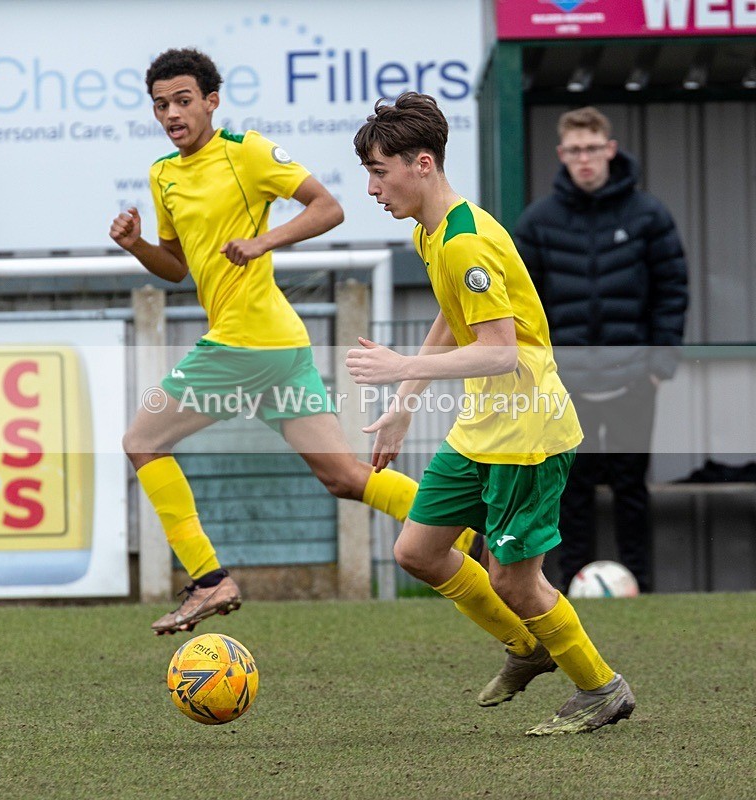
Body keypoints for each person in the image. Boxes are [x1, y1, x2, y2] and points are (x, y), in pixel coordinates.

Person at [109, 49, 486, 636]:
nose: (172, 113)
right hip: (276, 344)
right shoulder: (164, 175)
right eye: (161, 104)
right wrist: (136, 245)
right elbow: (178, 268)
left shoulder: (246, 152)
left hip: (247, 340)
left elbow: (327, 207)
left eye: (183, 100)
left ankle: (209, 581)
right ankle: (463, 531)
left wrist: (266, 242)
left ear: (211, 100)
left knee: (141, 440)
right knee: (342, 476)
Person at [348, 92, 634, 735]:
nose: (372, 187)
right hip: (483, 428)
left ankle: (601, 687)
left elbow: (501, 354)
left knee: (513, 578)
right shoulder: (433, 230)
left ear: (422, 164)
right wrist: (402, 406)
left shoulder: (467, 243)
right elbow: (454, 317)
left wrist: (400, 367)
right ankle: (528, 647)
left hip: (527, 433)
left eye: (379, 170)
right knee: (418, 551)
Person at [514, 107, 688, 594]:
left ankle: (642, 587)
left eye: (592, 148)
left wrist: (659, 365)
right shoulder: (539, 221)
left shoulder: (647, 215)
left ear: (610, 149)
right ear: (561, 155)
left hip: (634, 379)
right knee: (571, 489)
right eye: (575, 150)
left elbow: (672, 289)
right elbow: (521, 301)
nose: (584, 159)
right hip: (567, 386)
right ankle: (572, 588)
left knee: (631, 487)